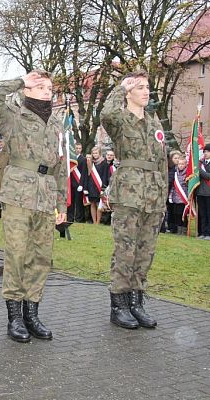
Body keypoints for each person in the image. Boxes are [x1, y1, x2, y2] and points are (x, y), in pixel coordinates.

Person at [0, 71, 67, 343]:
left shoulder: (56, 121)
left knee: (41, 257)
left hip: (46, 192)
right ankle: (15, 317)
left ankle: (32, 313)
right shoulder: (13, 115)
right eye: (40, 86)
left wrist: (61, 201)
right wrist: (20, 81)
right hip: (19, 192)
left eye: (49, 87)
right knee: (17, 255)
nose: (46, 91)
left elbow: (60, 164)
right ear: (28, 89)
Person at [101, 71, 167, 329]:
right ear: (128, 92)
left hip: (153, 194)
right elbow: (105, 114)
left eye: (147, 87)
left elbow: (161, 163)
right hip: (129, 193)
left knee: (144, 252)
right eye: (139, 87)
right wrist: (120, 87)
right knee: (125, 251)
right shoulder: (120, 119)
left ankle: (136, 302)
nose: (146, 91)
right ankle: (119, 306)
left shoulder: (155, 124)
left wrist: (162, 195)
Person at [82, 146, 110, 225]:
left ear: (100, 153)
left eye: (96, 153)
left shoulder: (104, 163)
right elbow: (87, 175)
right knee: (92, 203)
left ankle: (98, 222)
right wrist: (86, 187)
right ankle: (94, 222)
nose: (95, 155)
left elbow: (105, 176)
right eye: (93, 153)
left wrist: (103, 188)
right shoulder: (90, 162)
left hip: (99, 186)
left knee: (99, 204)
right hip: (91, 186)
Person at [168, 156, 189, 235]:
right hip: (175, 197)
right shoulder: (175, 173)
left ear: (185, 164)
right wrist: (170, 196)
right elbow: (173, 186)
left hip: (183, 197)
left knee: (182, 214)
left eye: (182, 164)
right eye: (179, 164)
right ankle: (178, 229)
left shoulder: (187, 174)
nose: (180, 165)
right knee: (175, 213)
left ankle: (183, 229)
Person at [166, 150, 182, 233]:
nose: (177, 160)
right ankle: (169, 226)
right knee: (169, 210)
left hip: (178, 193)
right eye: (175, 158)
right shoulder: (170, 168)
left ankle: (175, 228)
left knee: (175, 211)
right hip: (170, 191)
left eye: (178, 158)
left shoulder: (181, 169)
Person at [198, 144, 210, 239]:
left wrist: (198, 170)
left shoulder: (200, 166)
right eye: (204, 152)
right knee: (202, 214)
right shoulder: (201, 163)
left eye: (208, 152)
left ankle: (209, 233)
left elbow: (208, 176)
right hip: (200, 192)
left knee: (208, 213)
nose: (206, 153)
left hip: (209, 192)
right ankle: (203, 232)